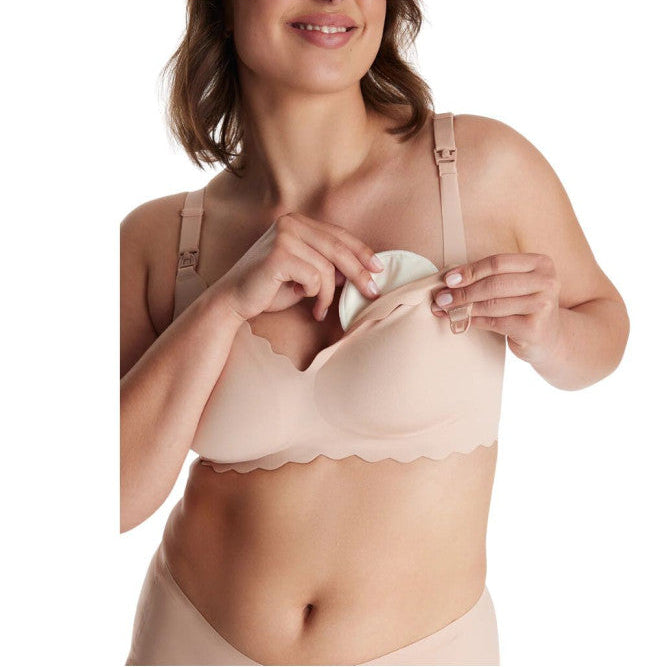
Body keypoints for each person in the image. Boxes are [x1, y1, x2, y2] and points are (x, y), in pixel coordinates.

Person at [120, 1, 630, 664]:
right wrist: (223, 306)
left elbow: (603, 325)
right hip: (190, 641)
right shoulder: (161, 240)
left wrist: (551, 334)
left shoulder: (478, 170)